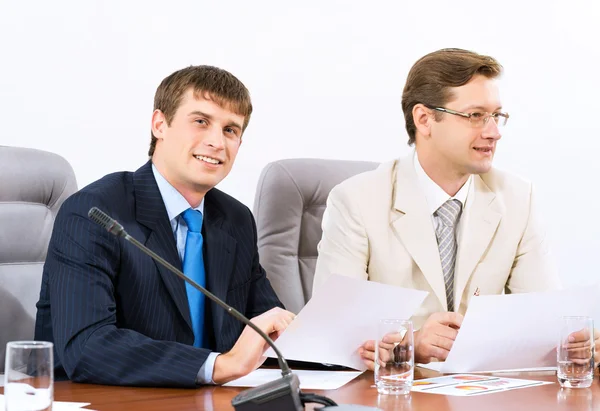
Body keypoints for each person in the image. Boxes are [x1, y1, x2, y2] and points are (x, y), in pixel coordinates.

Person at [312, 48, 599, 368]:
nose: (494, 131)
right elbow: (331, 336)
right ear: (424, 119)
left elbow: (545, 322)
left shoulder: (518, 197)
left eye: (497, 115)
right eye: (476, 115)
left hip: (483, 391)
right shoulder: (356, 200)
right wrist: (411, 343)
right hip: (394, 392)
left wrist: (575, 341)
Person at [34, 65, 295, 387]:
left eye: (230, 130)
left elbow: (266, 321)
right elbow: (87, 346)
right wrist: (218, 366)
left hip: (206, 400)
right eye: (201, 122)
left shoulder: (235, 219)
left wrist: (351, 349)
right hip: (104, 400)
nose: (216, 141)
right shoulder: (95, 213)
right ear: (160, 124)